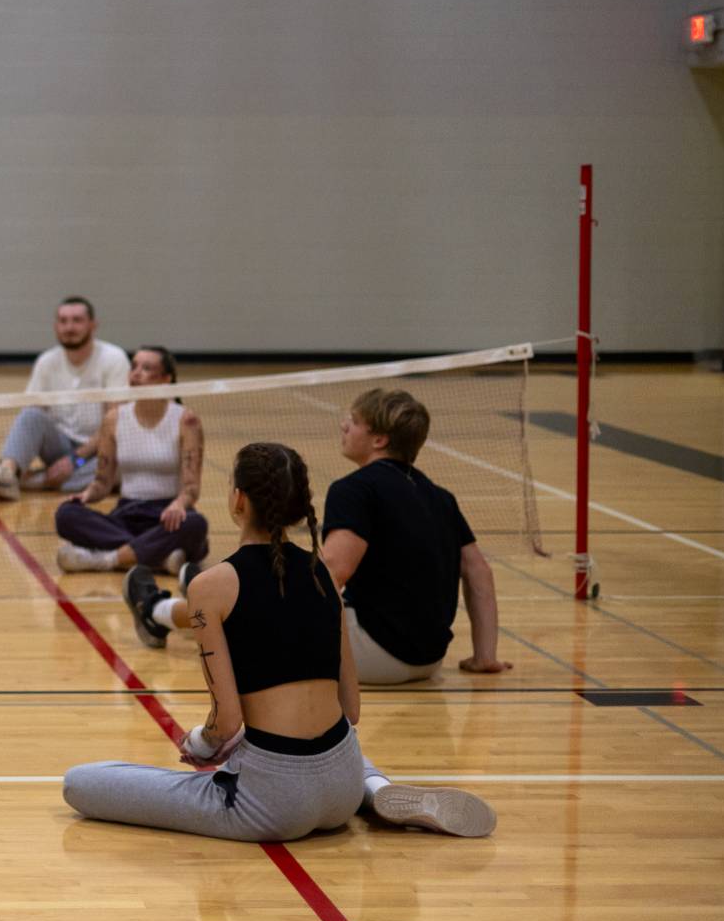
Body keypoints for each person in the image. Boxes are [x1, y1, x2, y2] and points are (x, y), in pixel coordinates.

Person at [88, 444, 497, 839]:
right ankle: (374, 789)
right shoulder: (324, 575)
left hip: (272, 804)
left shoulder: (210, 586)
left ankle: (367, 787)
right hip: (341, 787)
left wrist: (200, 741)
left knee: (85, 783)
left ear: (238, 500)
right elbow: (350, 710)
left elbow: (226, 724)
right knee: (333, 738)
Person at [320, 388, 510, 683]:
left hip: (372, 656)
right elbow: (478, 571)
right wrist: (485, 656)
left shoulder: (354, 489)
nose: (344, 425)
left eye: (355, 421)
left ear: (379, 440)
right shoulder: (440, 497)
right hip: (429, 660)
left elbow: (333, 569)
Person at [54, 345, 207, 593]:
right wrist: (87, 495)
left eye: (146, 369)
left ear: (166, 379)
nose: (136, 373)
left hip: (167, 516)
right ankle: (157, 557)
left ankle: (108, 559)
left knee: (196, 524)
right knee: (66, 515)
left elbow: (191, 488)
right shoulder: (114, 419)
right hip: (127, 515)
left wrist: (179, 504)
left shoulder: (186, 420)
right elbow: (103, 482)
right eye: (134, 366)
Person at [0, 297, 131, 501]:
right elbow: (30, 418)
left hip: (98, 452)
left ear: (93, 325)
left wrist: (76, 460)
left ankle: (34, 481)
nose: (69, 327)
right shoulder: (47, 362)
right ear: (56, 326)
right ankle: (6, 473)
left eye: (77, 320)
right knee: (30, 415)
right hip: (60, 448)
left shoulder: (113, 358)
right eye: (63, 321)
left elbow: (113, 422)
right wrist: (67, 458)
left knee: (119, 468)